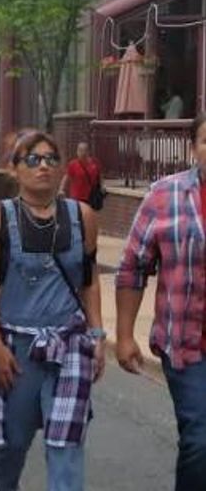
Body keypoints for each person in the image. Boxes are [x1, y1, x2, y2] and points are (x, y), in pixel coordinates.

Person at [0, 131, 104, 491]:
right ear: (13, 169)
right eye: (32, 159)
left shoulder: (82, 216)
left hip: (70, 346)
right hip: (17, 349)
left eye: (50, 159)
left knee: (66, 447)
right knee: (12, 446)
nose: (43, 166)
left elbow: (89, 281)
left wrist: (98, 335)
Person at [116, 115, 206, 490]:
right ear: (194, 149)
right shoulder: (164, 195)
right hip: (186, 344)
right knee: (201, 440)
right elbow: (133, 268)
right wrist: (123, 336)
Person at [60, 142, 102, 206]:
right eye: (80, 150)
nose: (83, 153)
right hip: (76, 198)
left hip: (90, 198)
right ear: (77, 152)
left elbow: (99, 176)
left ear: (88, 152)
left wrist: (102, 187)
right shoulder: (73, 164)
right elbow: (66, 177)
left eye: (85, 150)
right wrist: (61, 189)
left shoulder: (95, 163)